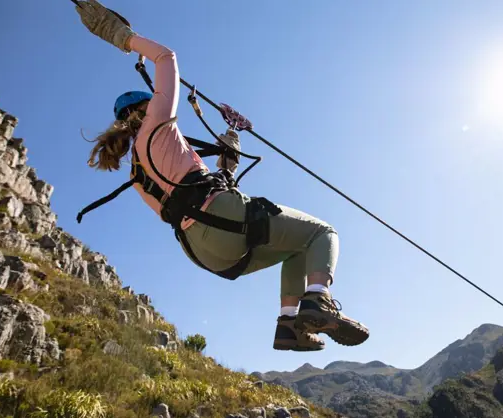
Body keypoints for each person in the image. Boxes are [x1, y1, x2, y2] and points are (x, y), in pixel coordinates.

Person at [74, 0, 369, 352]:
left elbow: (202, 196)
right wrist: (126, 39)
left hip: (205, 251)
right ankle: (318, 299)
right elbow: (166, 58)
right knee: (322, 234)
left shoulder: (137, 172)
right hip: (221, 219)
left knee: (296, 250)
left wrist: (229, 150)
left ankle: (289, 327)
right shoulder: (158, 122)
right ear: (146, 106)